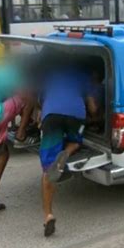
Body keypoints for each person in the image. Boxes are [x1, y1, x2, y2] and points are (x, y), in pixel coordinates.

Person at [37, 58, 98, 237]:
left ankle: (48, 215)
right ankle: (68, 151)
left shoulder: (50, 76)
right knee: (76, 140)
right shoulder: (83, 76)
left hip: (51, 117)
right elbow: (93, 108)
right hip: (75, 116)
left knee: (48, 170)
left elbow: (40, 102)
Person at [0, 57, 38, 211]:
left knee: (3, 156)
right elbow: (27, 97)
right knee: (29, 99)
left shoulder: (3, 73)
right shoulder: (15, 75)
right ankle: (21, 134)